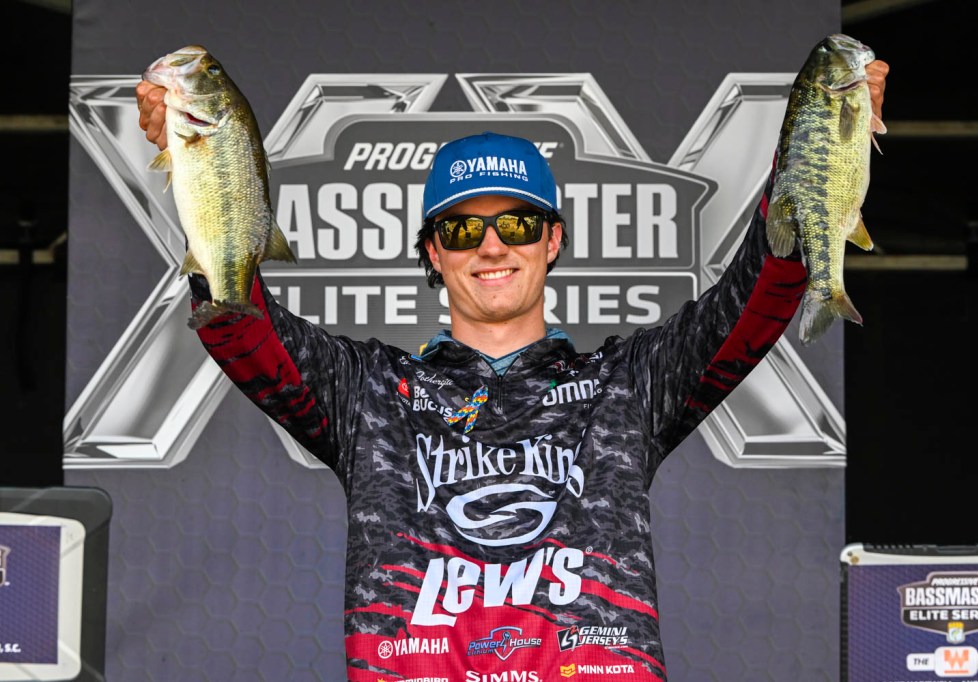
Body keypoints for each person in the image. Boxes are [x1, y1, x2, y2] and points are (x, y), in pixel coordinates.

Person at [136, 57, 888, 681]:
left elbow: (757, 294)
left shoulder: (627, 385)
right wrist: (200, 169)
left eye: (518, 223)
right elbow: (239, 325)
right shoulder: (371, 394)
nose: (492, 246)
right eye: (464, 228)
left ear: (552, 241)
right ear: (434, 252)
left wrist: (819, 148)